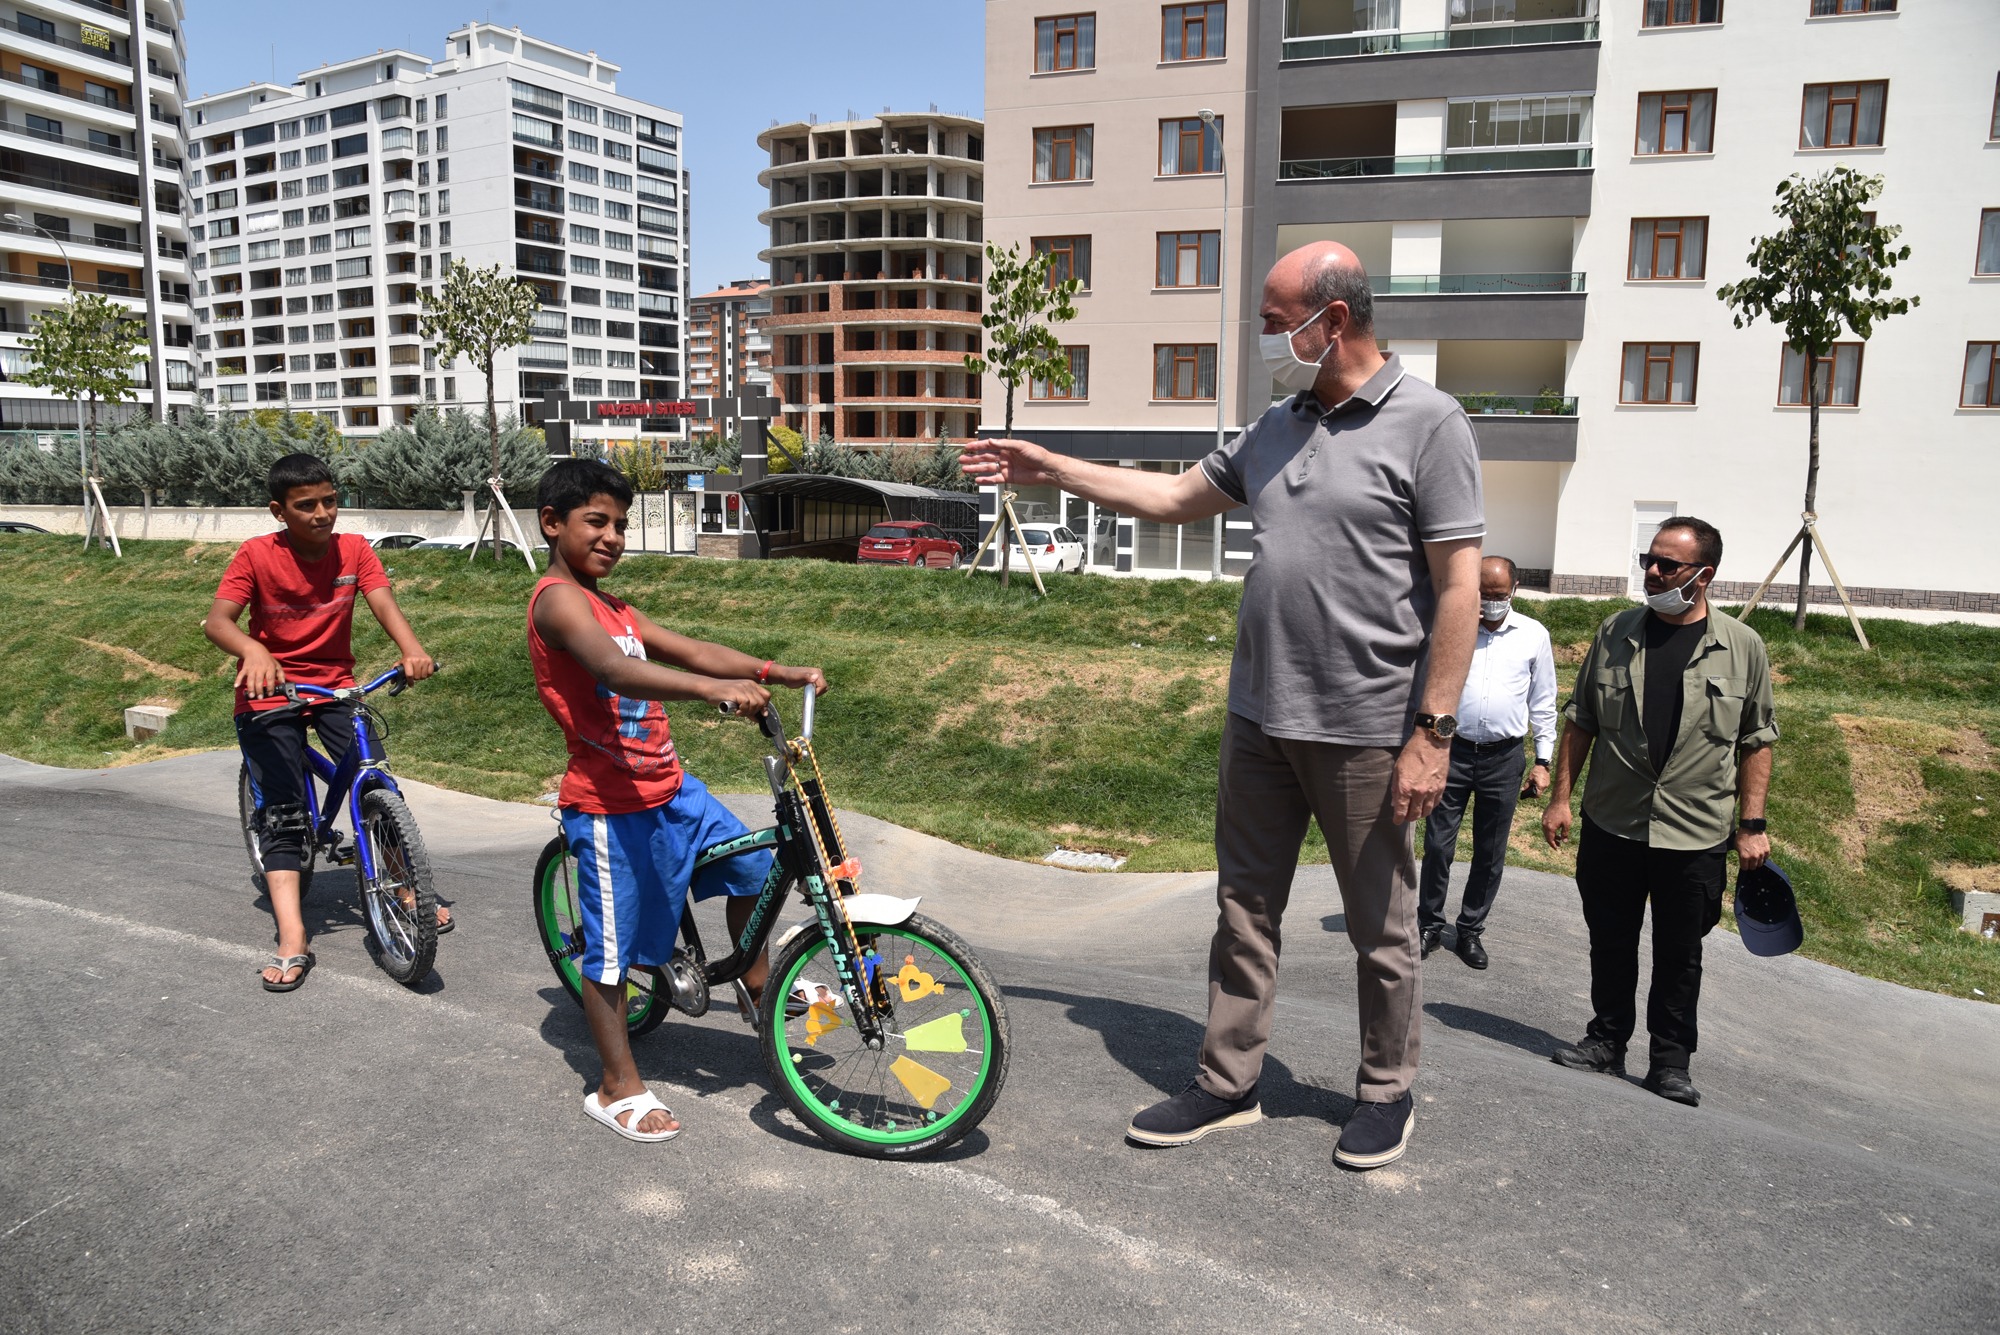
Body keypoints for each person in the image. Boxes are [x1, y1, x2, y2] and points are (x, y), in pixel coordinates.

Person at [962, 241, 1483, 1170]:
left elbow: (1458, 589)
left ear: (1334, 320)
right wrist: (1050, 464)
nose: (1268, 339)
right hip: (1260, 717)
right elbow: (1169, 496)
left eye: (1279, 323)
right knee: (1244, 907)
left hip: (1368, 725)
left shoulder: (1431, 422)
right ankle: (1227, 1080)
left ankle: (1385, 1091)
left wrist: (1433, 731)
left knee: (1382, 925)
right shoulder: (1275, 425)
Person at [528, 458, 827, 1143]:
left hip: (671, 791)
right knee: (609, 955)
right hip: (608, 806)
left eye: (621, 525)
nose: (612, 536)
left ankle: (759, 990)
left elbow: (688, 648)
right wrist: (709, 692)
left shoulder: (617, 607)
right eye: (595, 522)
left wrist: (771, 670)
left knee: (758, 871)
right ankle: (615, 1085)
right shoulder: (556, 599)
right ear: (553, 523)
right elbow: (613, 668)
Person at [1541, 515, 1777, 1108]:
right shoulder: (1616, 632)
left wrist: (1751, 827)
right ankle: (1606, 1040)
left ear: (1704, 575)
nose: (1652, 573)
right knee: (1610, 938)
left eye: (1666, 565)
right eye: (1648, 560)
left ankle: (1670, 1063)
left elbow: (1757, 741)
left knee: (1680, 952)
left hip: (1695, 830)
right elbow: (1581, 721)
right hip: (1613, 820)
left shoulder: (1743, 647)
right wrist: (1560, 797)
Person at [203, 452, 440, 992]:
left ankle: (406, 888)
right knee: (284, 812)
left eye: (329, 501)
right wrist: (254, 651)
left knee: (371, 772)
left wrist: (412, 650)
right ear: (278, 511)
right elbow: (219, 621)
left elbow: (383, 603)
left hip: (334, 686)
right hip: (269, 691)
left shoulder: (354, 550)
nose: (321, 513)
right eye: (305, 505)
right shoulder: (255, 555)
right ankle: (292, 937)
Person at [1418, 555, 1557, 970]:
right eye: (1484, 594)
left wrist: (1543, 760)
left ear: (1514, 590)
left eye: (1499, 595)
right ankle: (1429, 923)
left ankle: (1470, 930)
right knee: (1438, 844)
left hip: (1504, 757)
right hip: (1453, 751)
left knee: (1490, 851)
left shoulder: (1533, 635)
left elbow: (1544, 702)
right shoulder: (1452, 627)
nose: (1491, 603)